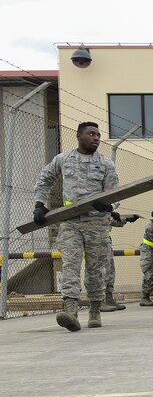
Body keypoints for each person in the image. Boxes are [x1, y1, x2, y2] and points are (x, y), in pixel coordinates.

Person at [32, 121, 120, 331]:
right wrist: (39, 204)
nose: (96, 138)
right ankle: (70, 310)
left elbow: (116, 193)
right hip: (70, 222)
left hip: (97, 224)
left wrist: (108, 205)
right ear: (79, 136)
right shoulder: (63, 160)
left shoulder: (106, 164)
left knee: (95, 270)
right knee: (70, 265)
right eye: (91, 134)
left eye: (98, 135)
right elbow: (44, 180)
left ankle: (95, 310)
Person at [100, 209, 140, 312]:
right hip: (97, 243)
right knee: (101, 272)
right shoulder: (96, 209)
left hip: (106, 243)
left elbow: (111, 220)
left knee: (110, 272)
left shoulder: (105, 211)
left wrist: (126, 219)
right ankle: (100, 301)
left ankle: (109, 299)